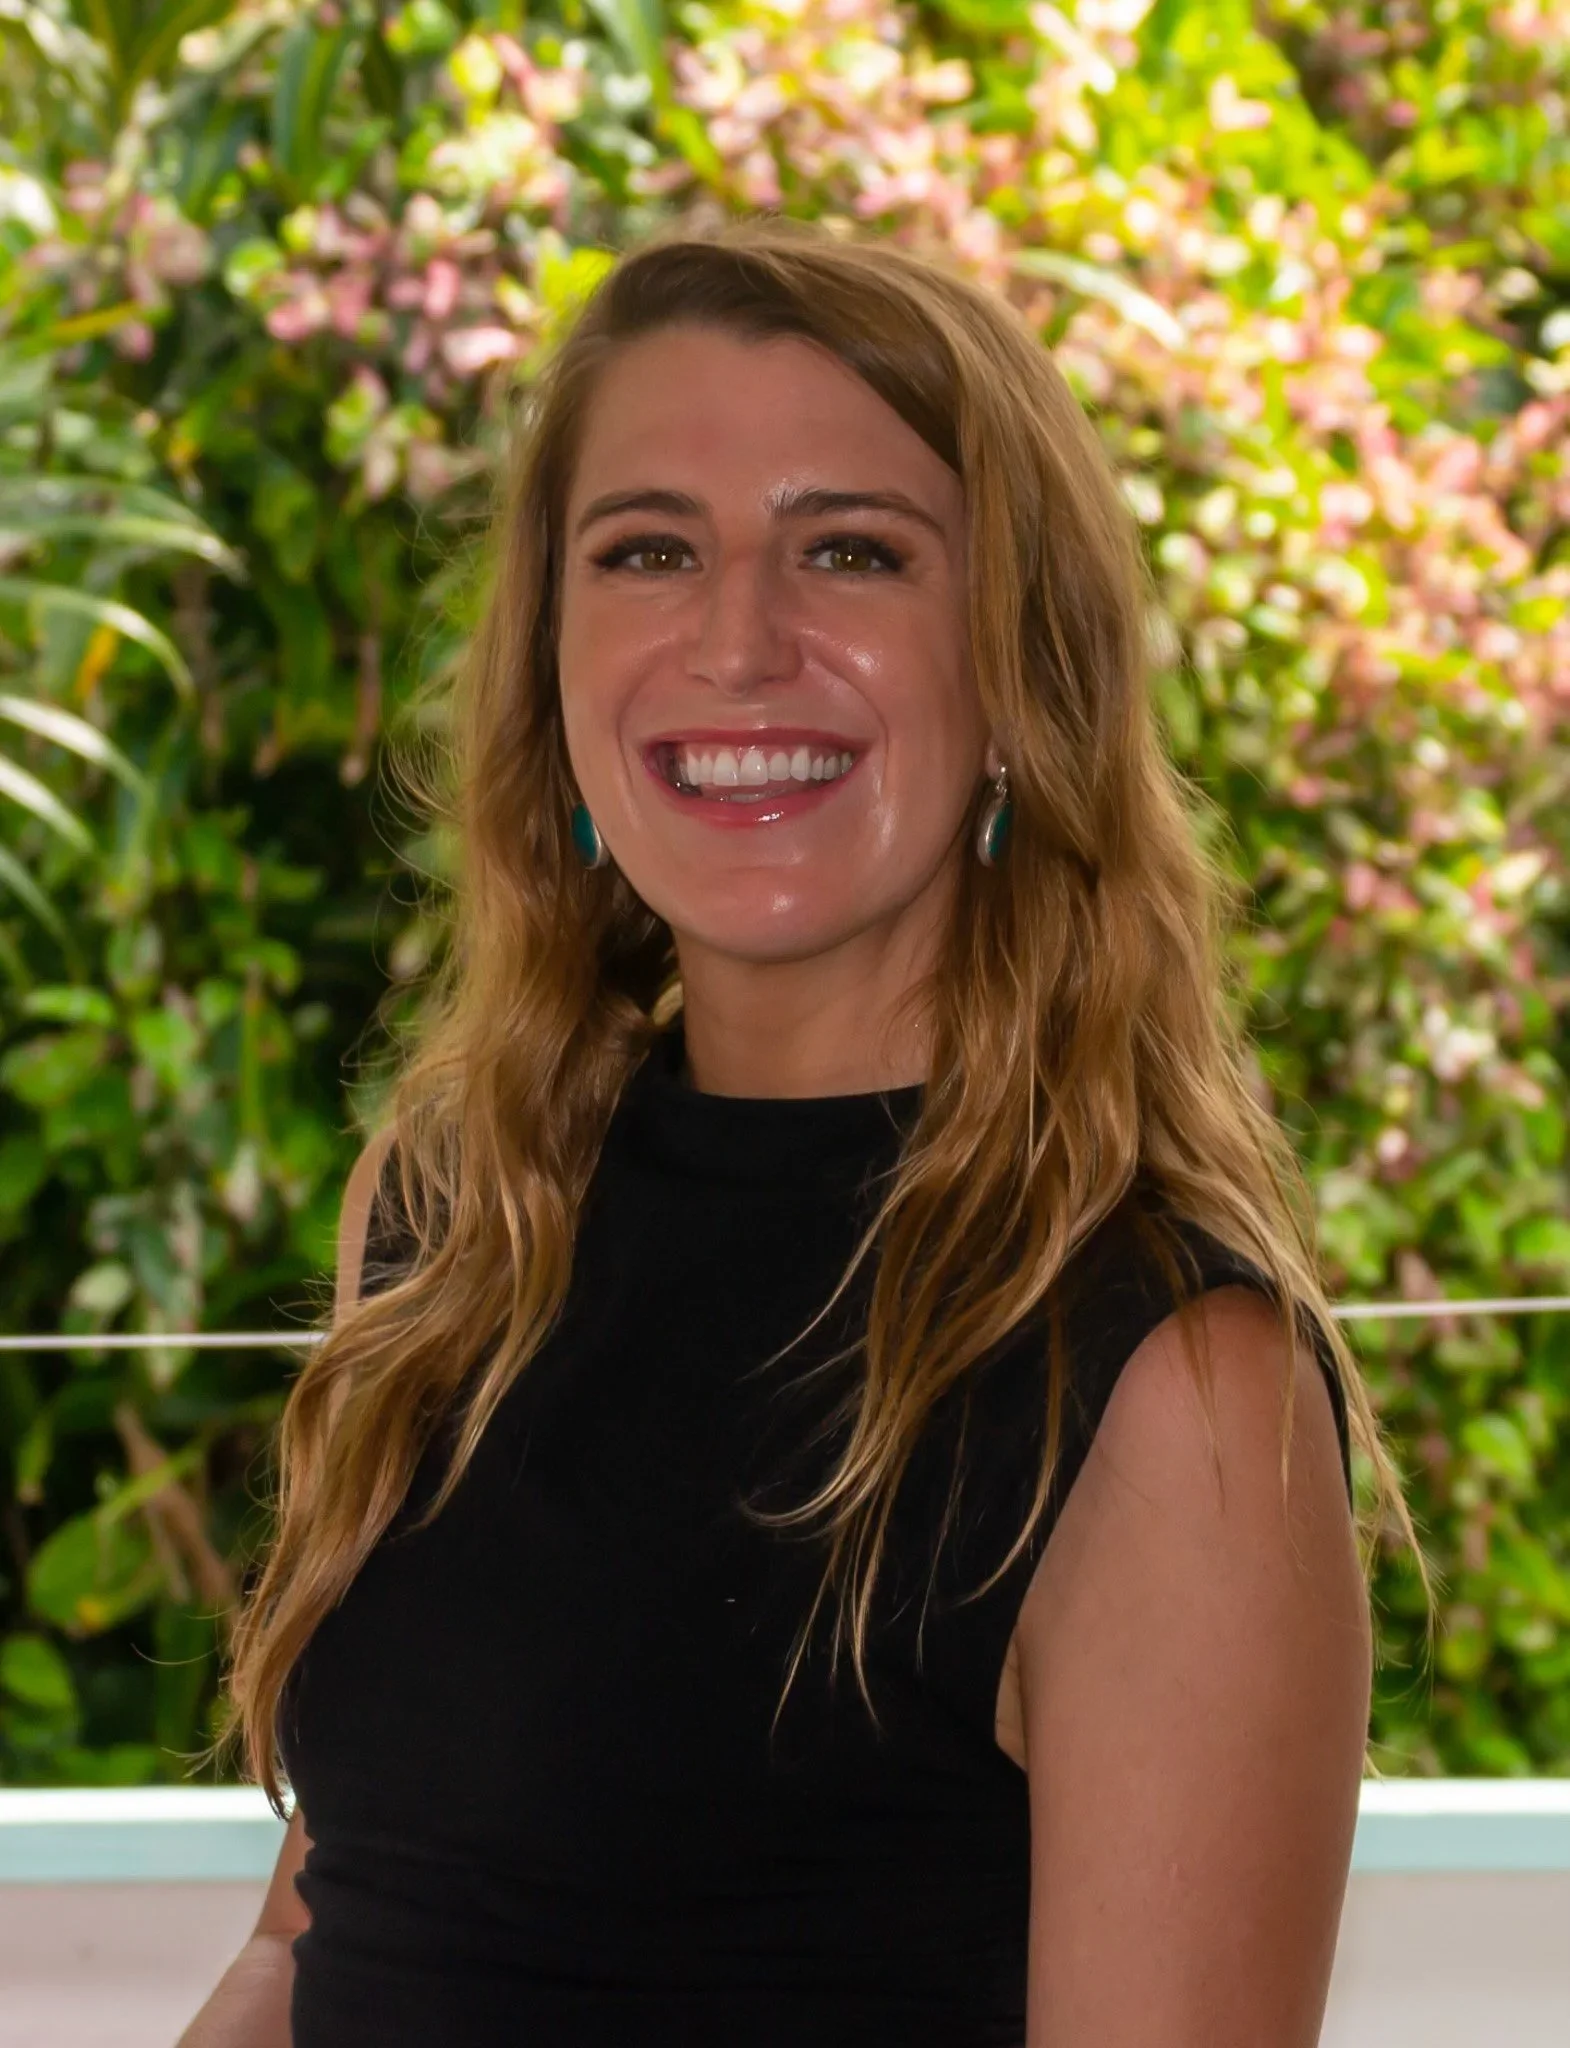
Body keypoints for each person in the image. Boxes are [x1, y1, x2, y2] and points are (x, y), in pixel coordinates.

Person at [181, 215, 1418, 2048]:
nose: (737, 639)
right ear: (549, 666)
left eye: (850, 551)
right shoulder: (455, 1219)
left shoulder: (1174, 1386)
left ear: (1018, 673)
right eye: (647, 552)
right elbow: (324, 1942)